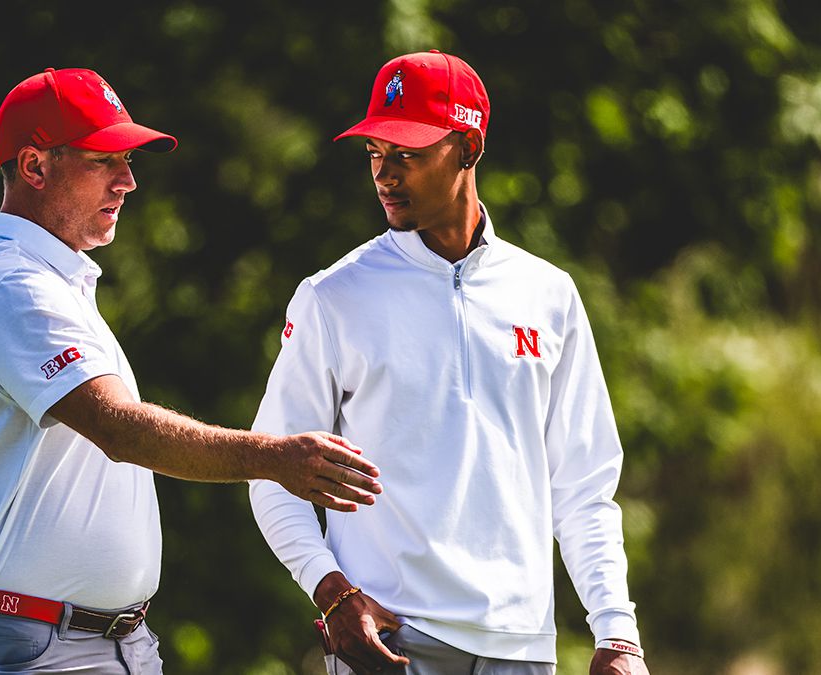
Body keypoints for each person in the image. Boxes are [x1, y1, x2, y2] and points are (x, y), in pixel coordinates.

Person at [0, 67, 384, 675]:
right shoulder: (13, 283)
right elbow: (120, 429)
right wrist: (273, 457)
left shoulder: (51, 282)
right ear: (35, 167)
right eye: (104, 160)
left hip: (98, 643)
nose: (129, 181)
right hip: (29, 648)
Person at [248, 51, 651, 675]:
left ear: (468, 146)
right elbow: (269, 468)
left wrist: (617, 633)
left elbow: (584, 485)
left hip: (522, 649)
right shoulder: (332, 297)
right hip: (389, 643)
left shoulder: (549, 294)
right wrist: (332, 591)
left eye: (407, 153)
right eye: (374, 153)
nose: (384, 173)